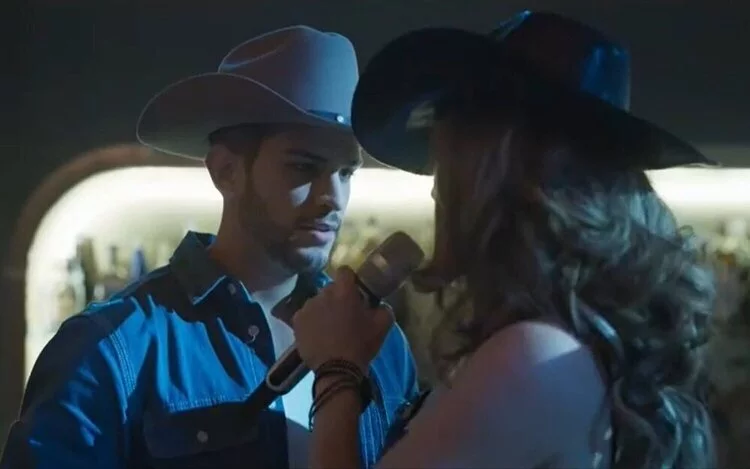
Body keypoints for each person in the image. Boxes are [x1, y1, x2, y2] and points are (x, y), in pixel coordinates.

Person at [291, 11, 718, 469]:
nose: (436, 192)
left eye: (445, 165)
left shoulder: (532, 360)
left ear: (490, 174)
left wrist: (337, 371)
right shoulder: (570, 353)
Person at [0, 26, 417, 469]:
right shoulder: (111, 347)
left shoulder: (380, 344)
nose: (332, 198)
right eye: (303, 167)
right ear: (226, 172)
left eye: (346, 173)